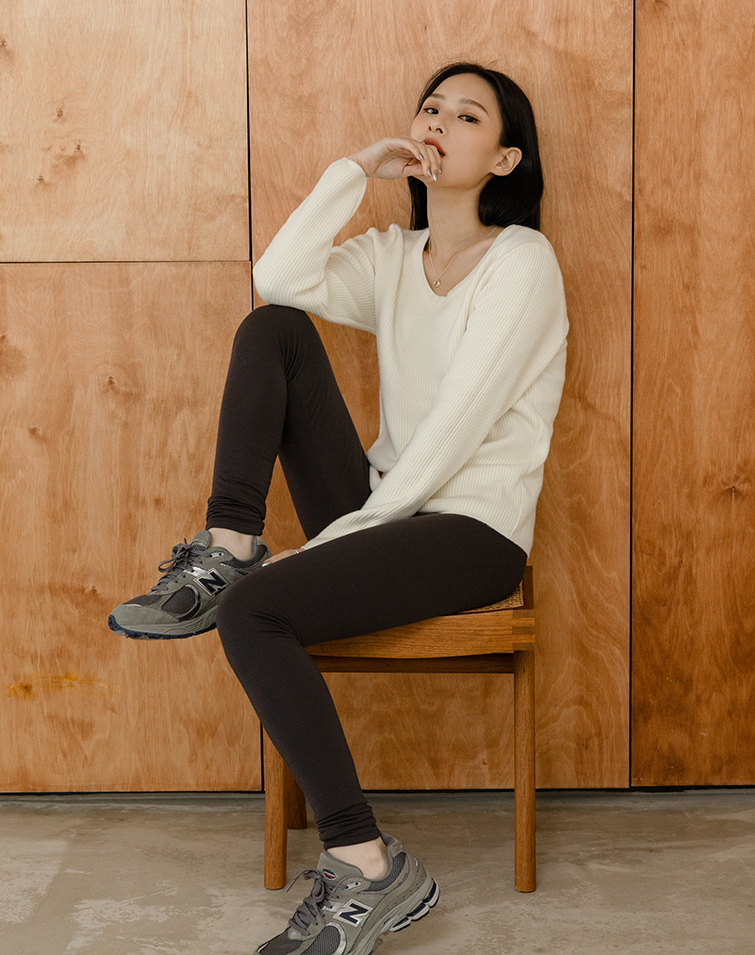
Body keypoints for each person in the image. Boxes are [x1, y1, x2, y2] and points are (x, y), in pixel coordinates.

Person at [109, 62, 568, 955]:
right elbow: (278, 275)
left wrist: (336, 541)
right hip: (387, 509)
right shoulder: (393, 257)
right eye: (429, 108)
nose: (437, 123)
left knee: (253, 614)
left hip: (469, 531)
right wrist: (355, 170)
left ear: (505, 157)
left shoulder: (523, 263)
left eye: (466, 116)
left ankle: (367, 863)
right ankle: (230, 541)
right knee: (272, 329)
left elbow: (452, 435)